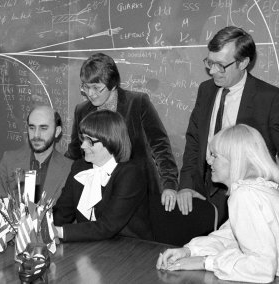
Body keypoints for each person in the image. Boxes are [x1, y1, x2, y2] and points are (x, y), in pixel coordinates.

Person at [177, 26, 279, 226]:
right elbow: (194, 141)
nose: (212, 71)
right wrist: (186, 186)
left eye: (220, 65)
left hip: (247, 196)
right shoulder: (205, 90)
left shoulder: (270, 99)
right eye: (209, 63)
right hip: (202, 190)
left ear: (243, 63)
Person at [157, 124, 279, 283]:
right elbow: (230, 237)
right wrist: (189, 251)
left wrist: (205, 262)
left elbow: (262, 267)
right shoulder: (257, 190)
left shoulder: (245, 195)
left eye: (214, 155)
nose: (208, 160)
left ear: (235, 160)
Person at [65, 53, 178, 211]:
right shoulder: (82, 110)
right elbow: (75, 152)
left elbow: (160, 145)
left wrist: (170, 184)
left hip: (138, 191)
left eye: (96, 88)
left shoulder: (137, 103)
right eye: (85, 86)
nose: (90, 93)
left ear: (112, 84)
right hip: (99, 193)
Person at [53, 110, 153, 242]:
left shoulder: (130, 174)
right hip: (91, 245)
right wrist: (39, 225)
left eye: (90, 141)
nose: (83, 145)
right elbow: (62, 212)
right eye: (83, 138)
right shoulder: (79, 167)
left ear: (110, 141)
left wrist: (58, 231)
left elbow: (107, 226)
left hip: (129, 249)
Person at [0, 106, 73, 202]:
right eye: (32, 128)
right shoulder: (9, 160)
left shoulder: (70, 169)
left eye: (43, 128)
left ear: (57, 132)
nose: (36, 135)